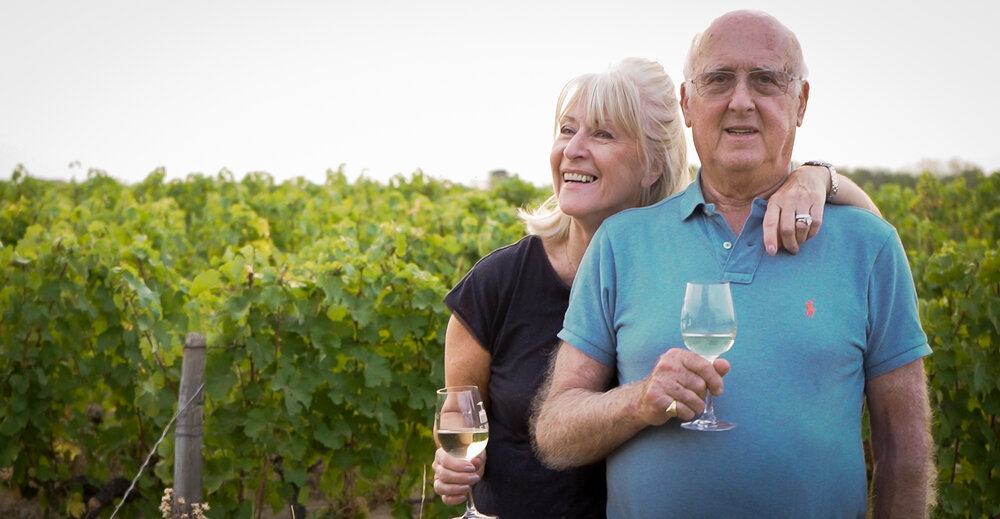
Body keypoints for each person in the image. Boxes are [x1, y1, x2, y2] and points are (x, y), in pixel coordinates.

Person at [433, 56, 881, 518]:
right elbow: (460, 423)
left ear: (653, 165)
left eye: (603, 134)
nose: (574, 150)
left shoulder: (685, 270)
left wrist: (819, 175)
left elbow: (876, 239)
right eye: (567, 130)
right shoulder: (493, 286)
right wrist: (452, 460)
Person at [532, 11, 933, 518]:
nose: (740, 100)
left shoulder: (869, 246)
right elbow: (555, 432)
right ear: (687, 104)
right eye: (719, 80)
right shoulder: (621, 243)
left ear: (801, 102)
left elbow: (905, 452)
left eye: (765, 80)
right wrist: (639, 400)